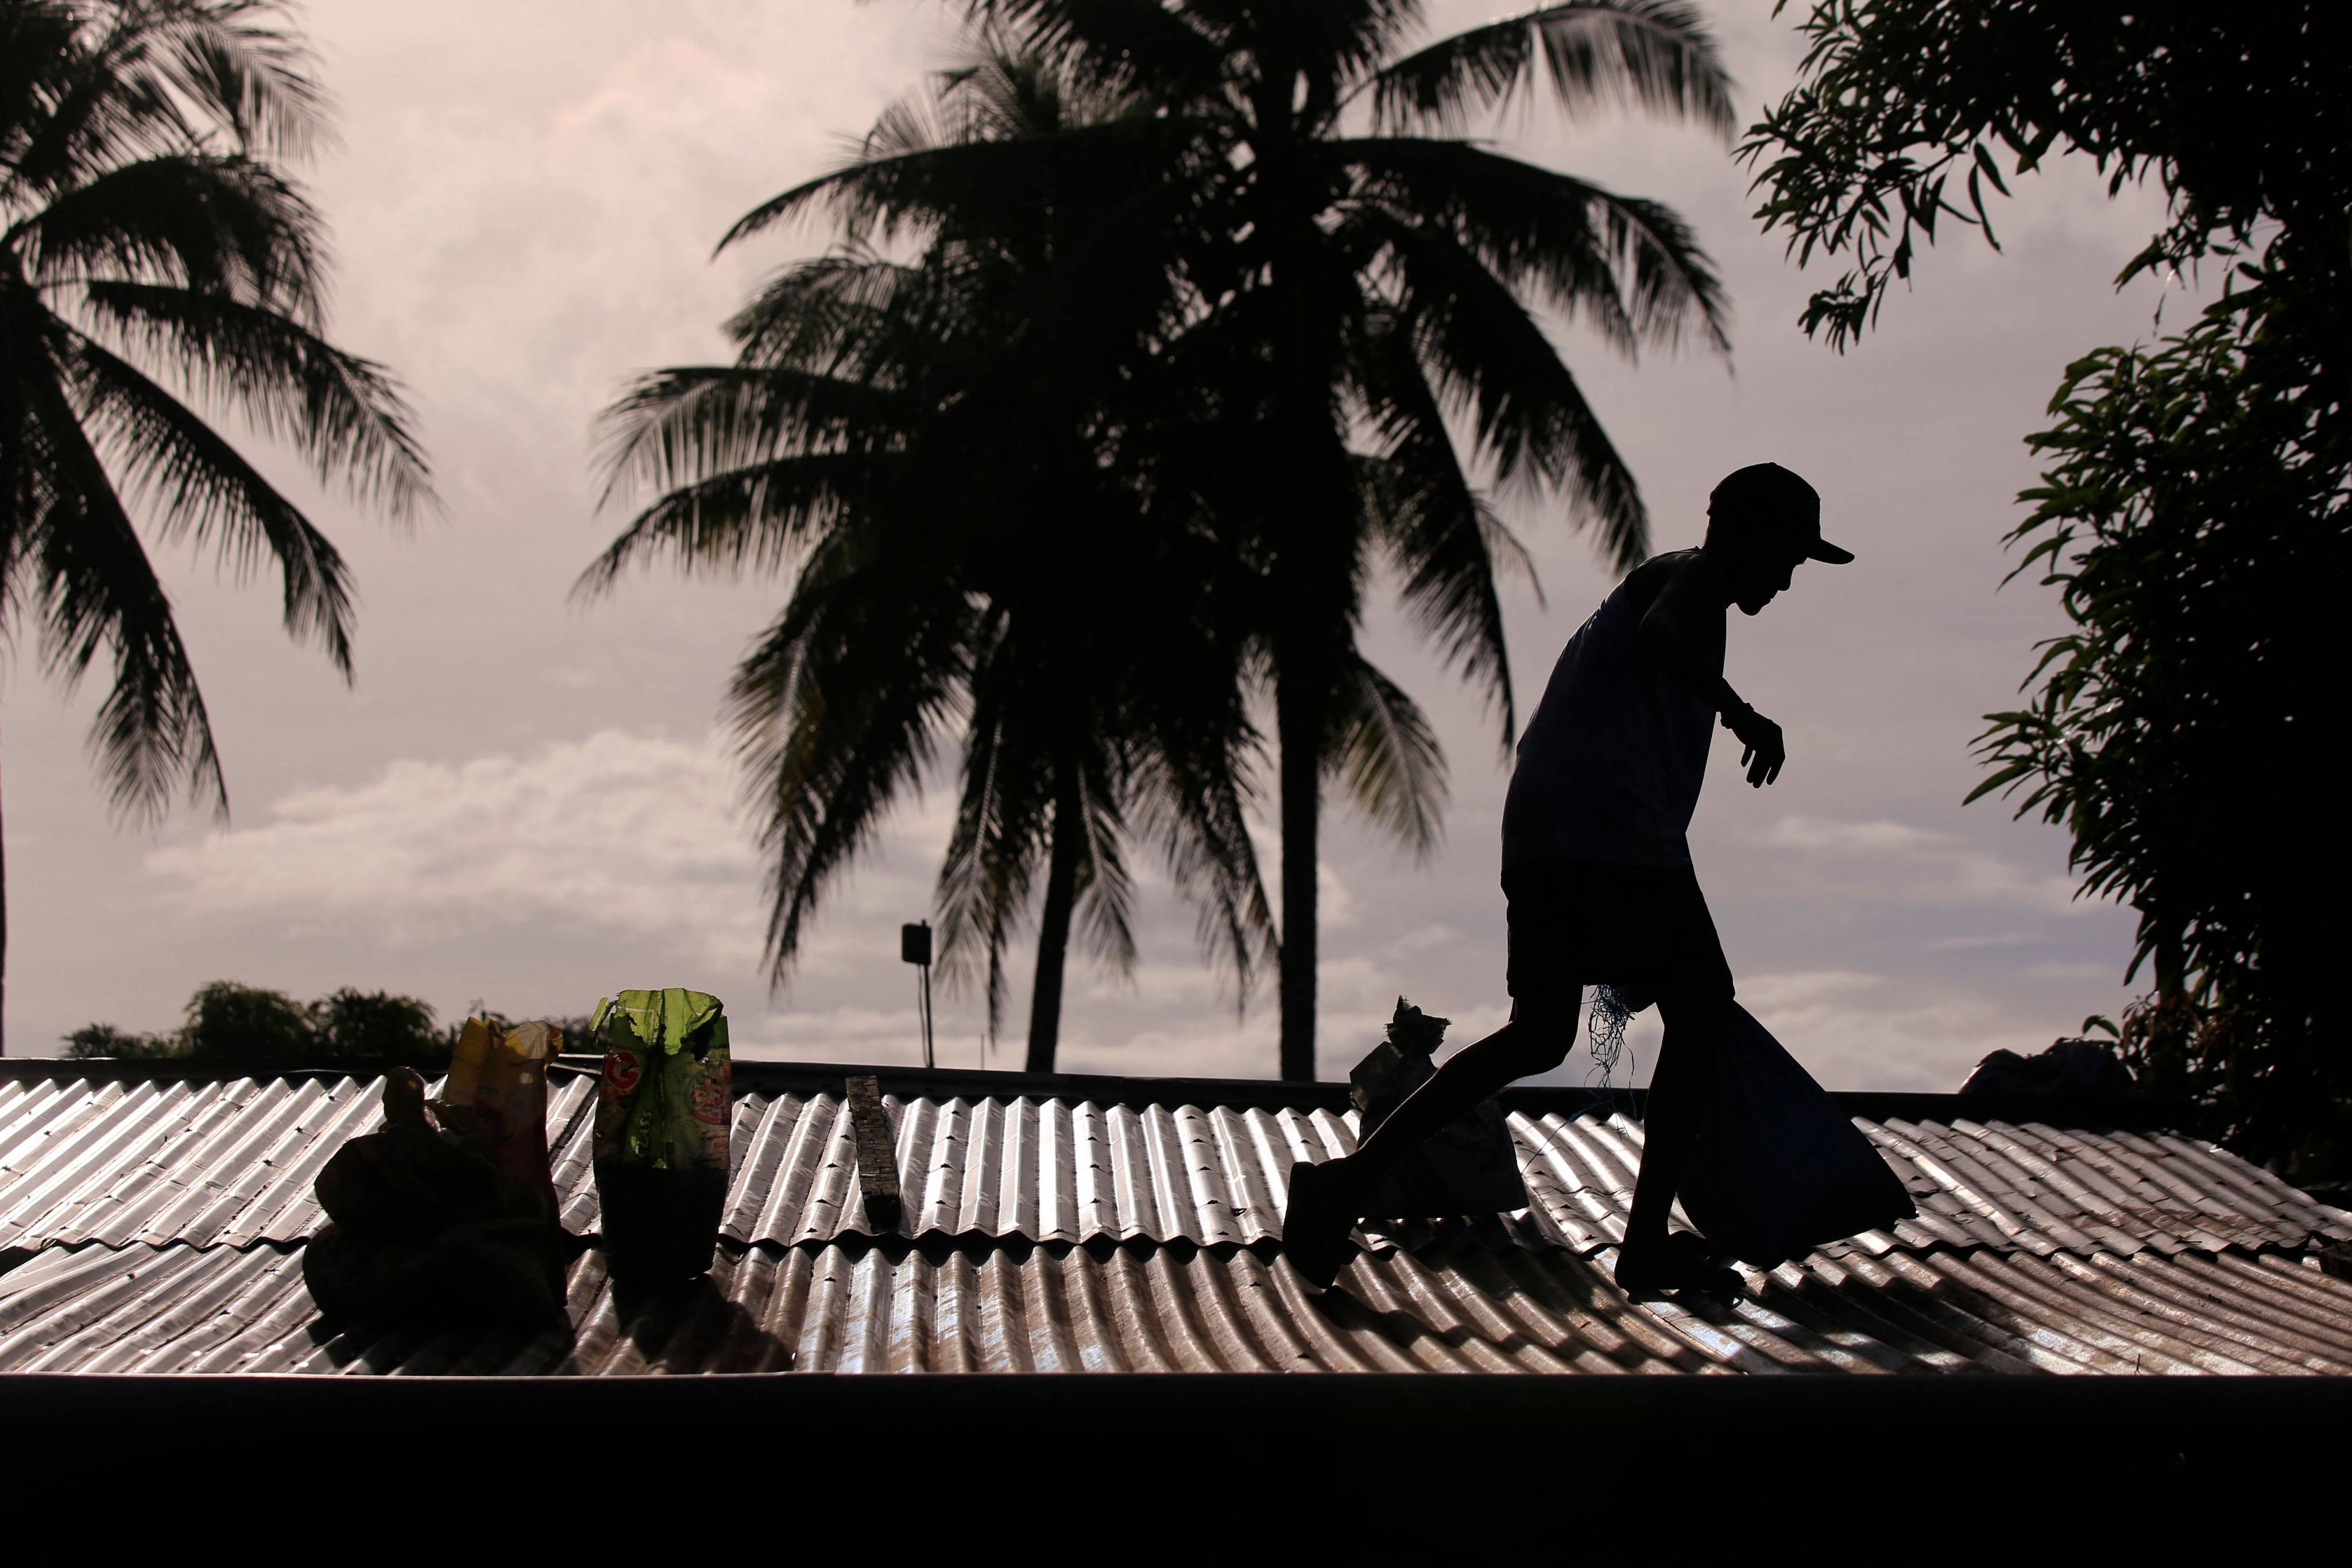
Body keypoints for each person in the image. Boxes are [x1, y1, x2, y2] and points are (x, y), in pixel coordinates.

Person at [1282, 462, 1853, 1295]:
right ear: (1750, 537)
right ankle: (1646, 1243)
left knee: (1541, 1034)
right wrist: (1741, 713)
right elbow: (1662, 637)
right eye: (1788, 556)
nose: (1790, 577)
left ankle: (1347, 1183)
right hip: (1610, 835)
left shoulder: (1687, 593)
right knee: (1700, 1003)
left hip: (1550, 831)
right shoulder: (1690, 579)